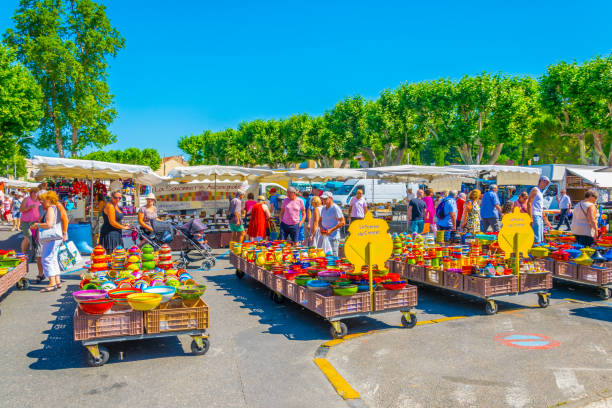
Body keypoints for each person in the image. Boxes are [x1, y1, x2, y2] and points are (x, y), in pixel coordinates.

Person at [31, 191, 63, 292]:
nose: (41, 202)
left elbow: (49, 224)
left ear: (49, 200)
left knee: (46, 259)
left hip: (51, 238)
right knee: (52, 259)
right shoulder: (55, 208)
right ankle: (57, 281)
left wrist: (37, 224)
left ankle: (52, 283)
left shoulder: (50, 208)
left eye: (43, 200)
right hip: (56, 237)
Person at [319, 192, 345, 256]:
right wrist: (321, 228)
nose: (323, 200)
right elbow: (320, 220)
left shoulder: (335, 208)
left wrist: (331, 230)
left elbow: (343, 222)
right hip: (325, 236)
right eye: (322, 199)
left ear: (330, 198)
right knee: (325, 254)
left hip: (333, 236)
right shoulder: (323, 208)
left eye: (325, 199)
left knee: (333, 255)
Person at [528, 176, 551, 244]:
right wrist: (530, 217)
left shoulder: (540, 191)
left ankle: (537, 250)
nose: (547, 185)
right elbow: (529, 203)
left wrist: (546, 220)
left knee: (540, 237)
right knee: (536, 237)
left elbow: (540, 207)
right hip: (535, 215)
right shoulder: (535, 189)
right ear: (542, 180)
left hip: (539, 215)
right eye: (546, 183)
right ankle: (534, 251)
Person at [19, 188, 40, 256]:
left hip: (35, 222)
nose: (35, 194)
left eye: (36, 192)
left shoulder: (39, 200)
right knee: (28, 237)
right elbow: (21, 209)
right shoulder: (26, 199)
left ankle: (34, 254)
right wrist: (29, 207)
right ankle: (23, 253)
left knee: (35, 238)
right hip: (26, 222)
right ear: (31, 193)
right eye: (34, 192)